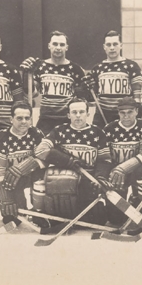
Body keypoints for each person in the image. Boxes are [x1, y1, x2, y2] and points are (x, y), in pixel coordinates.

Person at [29, 97, 113, 226]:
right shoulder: (59, 130)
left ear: (88, 114)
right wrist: (67, 160)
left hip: (87, 179)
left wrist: (100, 176)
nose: (78, 116)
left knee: (99, 219)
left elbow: (105, 159)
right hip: (63, 181)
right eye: (74, 112)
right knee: (43, 181)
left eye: (81, 112)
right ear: (68, 115)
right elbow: (40, 150)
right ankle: (45, 214)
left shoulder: (97, 132)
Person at [20, 31, 86, 135]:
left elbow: (82, 99)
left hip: (67, 120)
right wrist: (26, 75)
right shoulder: (40, 66)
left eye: (62, 44)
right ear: (49, 46)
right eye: (55, 44)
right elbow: (31, 93)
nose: (58, 47)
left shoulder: (75, 69)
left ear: (67, 47)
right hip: (45, 120)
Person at [0, 102, 45, 225]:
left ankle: (39, 211)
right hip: (11, 180)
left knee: (41, 180)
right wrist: (5, 197)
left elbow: (46, 158)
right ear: (11, 119)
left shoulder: (36, 133)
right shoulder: (1, 137)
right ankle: (19, 207)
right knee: (12, 219)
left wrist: (32, 163)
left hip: (32, 175)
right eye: (19, 118)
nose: (24, 121)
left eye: (27, 118)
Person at [104, 97, 142, 224]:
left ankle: (140, 203)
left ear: (137, 111)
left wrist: (124, 168)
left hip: (136, 170)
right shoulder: (109, 128)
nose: (126, 116)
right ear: (118, 112)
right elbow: (105, 156)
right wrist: (115, 170)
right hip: (117, 173)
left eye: (130, 112)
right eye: (122, 112)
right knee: (115, 219)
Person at [81, 30, 142, 126]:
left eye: (115, 44)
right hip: (103, 115)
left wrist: (137, 117)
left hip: (124, 115)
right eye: (108, 45)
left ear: (121, 45)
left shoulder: (131, 66)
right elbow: (92, 99)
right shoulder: (97, 68)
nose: (112, 48)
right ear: (104, 47)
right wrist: (87, 88)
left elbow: (138, 96)